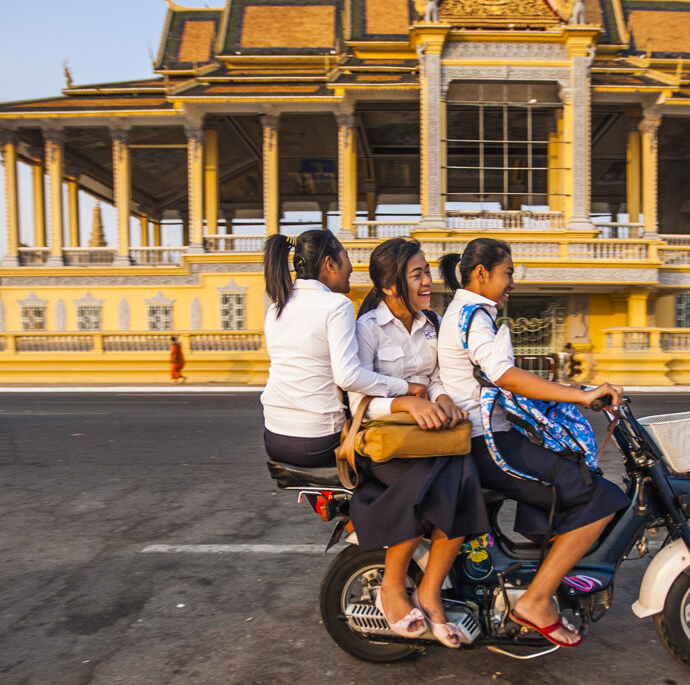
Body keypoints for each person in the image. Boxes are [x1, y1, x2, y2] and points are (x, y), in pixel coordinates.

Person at [437, 238, 629, 648]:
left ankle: (540, 571)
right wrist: (581, 395)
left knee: (566, 468)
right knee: (602, 496)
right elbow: (505, 375)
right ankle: (537, 599)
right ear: (482, 273)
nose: (513, 284)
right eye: (508, 274)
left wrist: (578, 388)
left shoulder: (470, 312)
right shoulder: (473, 315)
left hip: (488, 438)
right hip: (488, 443)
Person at [348, 237, 488, 648]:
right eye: (418, 274)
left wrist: (442, 397)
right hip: (388, 443)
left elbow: (441, 375)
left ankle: (429, 591)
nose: (428, 280)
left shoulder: (434, 322)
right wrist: (407, 403)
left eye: (427, 271)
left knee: (464, 471)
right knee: (441, 476)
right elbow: (359, 401)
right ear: (390, 286)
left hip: (429, 436)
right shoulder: (367, 329)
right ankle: (392, 586)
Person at [260, 229, 424, 469]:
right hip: (318, 441)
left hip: (274, 437)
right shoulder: (336, 305)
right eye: (346, 258)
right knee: (397, 451)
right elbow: (348, 376)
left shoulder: (276, 305)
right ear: (330, 263)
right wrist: (408, 388)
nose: (351, 268)